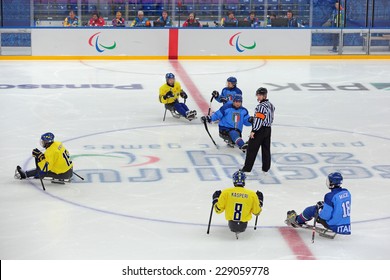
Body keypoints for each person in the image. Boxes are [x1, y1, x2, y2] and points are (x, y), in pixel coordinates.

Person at [286, 172, 351, 235]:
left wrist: (319, 209)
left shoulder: (329, 196)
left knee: (311, 210)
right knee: (321, 208)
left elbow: (325, 216)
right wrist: (325, 205)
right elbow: (337, 205)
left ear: (331, 183)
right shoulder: (346, 192)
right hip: (345, 225)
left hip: (333, 225)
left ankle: (297, 220)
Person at [212, 171, 263, 235]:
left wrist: (215, 199)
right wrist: (260, 201)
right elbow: (257, 212)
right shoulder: (252, 194)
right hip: (243, 225)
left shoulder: (226, 192)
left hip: (232, 224)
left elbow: (218, 210)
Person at [241, 87, 275, 174]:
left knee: (252, 149)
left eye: (260, 95)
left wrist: (254, 130)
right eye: (258, 95)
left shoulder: (261, 106)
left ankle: (247, 169)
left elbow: (259, 120)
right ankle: (266, 168)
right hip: (268, 129)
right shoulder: (270, 105)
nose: (258, 97)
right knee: (266, 149)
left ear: (265, 95)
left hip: (260, 130)